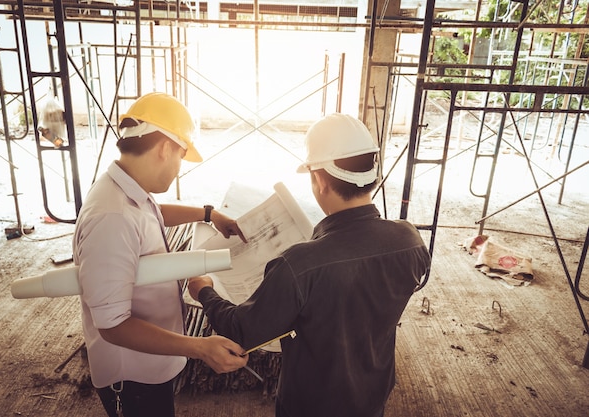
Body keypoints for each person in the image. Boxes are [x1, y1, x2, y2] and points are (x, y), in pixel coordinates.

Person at [188, 113, 431, 417]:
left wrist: (204, 290)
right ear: (373, 175)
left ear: (318, 179)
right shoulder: (410, 240)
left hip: (311, 404)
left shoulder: (300, 264)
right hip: (373, 395)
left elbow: (243, 331)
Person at [72, 92, 248, 417]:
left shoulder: (128, 189)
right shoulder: (111, 217)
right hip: (133, 377)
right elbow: (112, 325)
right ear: (166, 148)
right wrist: (199, 347)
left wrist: (208, 214)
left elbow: (152, 214)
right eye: (181, 156)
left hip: (150, 364)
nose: (179, 167)